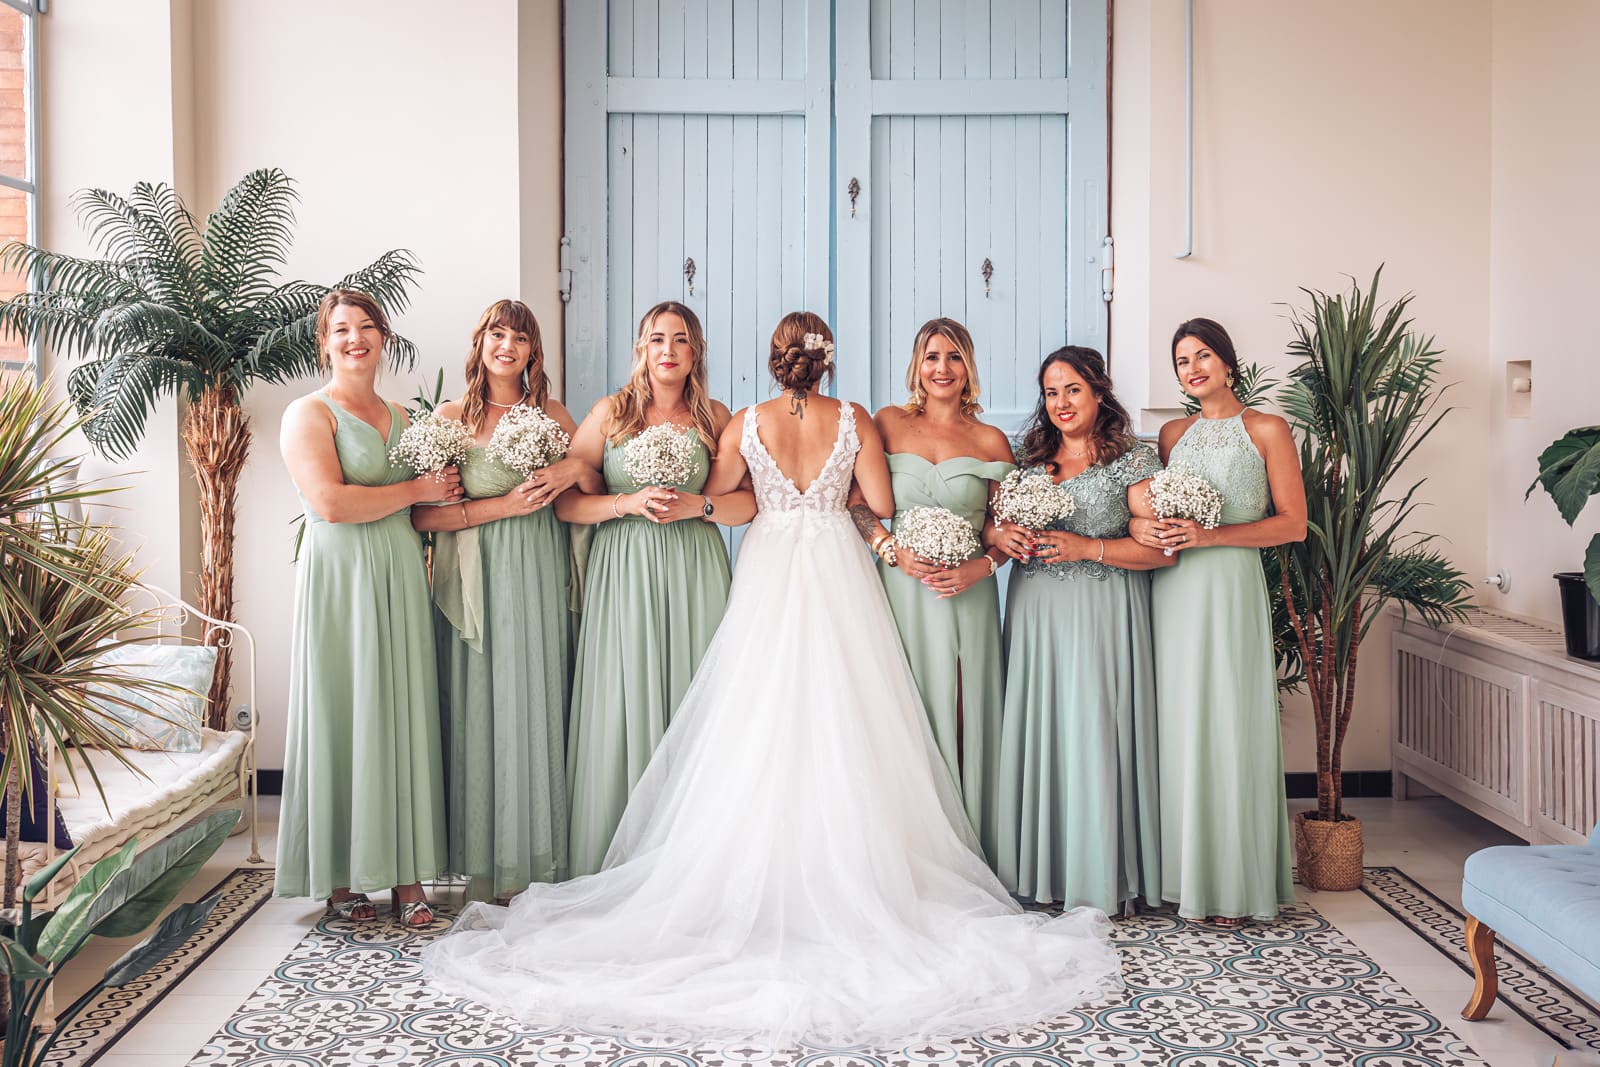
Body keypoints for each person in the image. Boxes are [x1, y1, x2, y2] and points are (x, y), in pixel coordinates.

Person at [422, 312, 1122, 1047]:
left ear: (774, 360)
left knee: (755, 720)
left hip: (770, 570)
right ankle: (851, 870)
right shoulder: (854, 418)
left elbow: (733, 500)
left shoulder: (744, 421)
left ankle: (753, 873)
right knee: (847, 719)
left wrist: (709, 492)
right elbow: (880, 503)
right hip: (836, 571)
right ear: (827, 361)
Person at [554, 300, 750, 877]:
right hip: (626, 569)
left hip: (694, 567)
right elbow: (567, 504)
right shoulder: (610, 413)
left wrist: (699, 505)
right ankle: (621, 856)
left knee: (698, 697)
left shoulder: (715, 417)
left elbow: (748, 502)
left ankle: (698, 861)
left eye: (681, 339)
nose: (668, 349)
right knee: (626, 693)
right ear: (641, 348)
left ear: (696, 352)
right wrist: (626, 502)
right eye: (657, 338)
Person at [413, 299, 601, 900]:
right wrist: (502, 506)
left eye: (520, 338)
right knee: (480, 705)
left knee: (536, 695)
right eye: (498, 334)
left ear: (532, 352)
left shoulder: (552, 414)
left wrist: (571, 471)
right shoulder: (450, 418)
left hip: (540, 570)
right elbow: (422, 515)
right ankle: (482, 859)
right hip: (478, 576)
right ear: (481, 343)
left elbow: (593, 482)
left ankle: (538, 857)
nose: (507, 346)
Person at [276, 289, 453, 927]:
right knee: (347, 708)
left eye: (368, 327)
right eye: (342, 329)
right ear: (324, 342)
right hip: (342, 578)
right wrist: (417, 489)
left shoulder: (404, 417)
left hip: (400, 572)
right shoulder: (307, 413)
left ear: (384, 338)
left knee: (400, 711)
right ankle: (341, 877)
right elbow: (331, 503)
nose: (356, 338)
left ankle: (407, 878)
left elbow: (432, 502)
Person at [1129, 317, 1307, 924]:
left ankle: (1232, 884)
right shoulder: (1172, 435)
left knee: (1229, 722)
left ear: (1228, 362)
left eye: (1203, 355)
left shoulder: (1267, 428)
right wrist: (1145, 528)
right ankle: (1181, 878)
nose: (1193, 368)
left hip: (1229, 586)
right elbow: (1144, 509)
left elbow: (1293, 525)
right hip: (1172, 588)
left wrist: (1211, 536)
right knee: (1178, 723)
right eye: (1182, 361)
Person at [990, 346, 1171, 914]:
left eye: (1072, 389)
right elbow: (994, 528)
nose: (1061, 403)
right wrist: (1002, 537)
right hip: (1036, 611)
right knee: (1043, 725)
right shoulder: (1029, 459)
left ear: (1098, 392)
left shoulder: (1132, 462)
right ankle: (1040, 871)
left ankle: (1098, 873)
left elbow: (1160, 551)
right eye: (1051, 392)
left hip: (1102, 609)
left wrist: (1087, 546)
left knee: (1094, 729)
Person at [853, 317, 1013, 859]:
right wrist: (888, 548)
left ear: (968, 367)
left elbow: (1002, 530)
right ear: (916, 366)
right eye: (932, 357)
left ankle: (970, 847)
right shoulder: (887, 423)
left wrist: (981, 567)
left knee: (965, 707)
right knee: (900, 708)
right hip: (900, 590)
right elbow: (857, 502)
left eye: (954, 357)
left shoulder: (990, 440)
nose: (942, 368)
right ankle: (904, 847)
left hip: (966, 593)